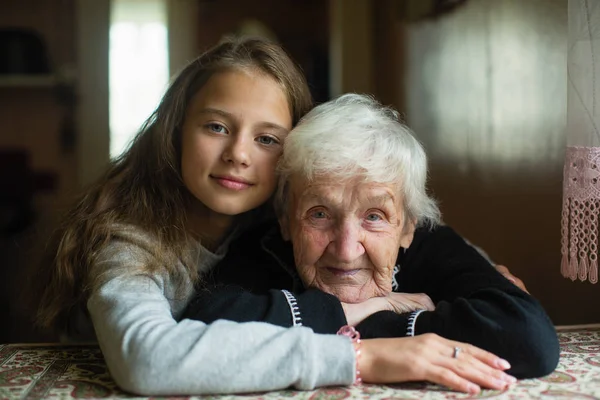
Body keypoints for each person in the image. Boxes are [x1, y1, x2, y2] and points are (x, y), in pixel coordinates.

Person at [28, 37, 525, 396]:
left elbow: (401, 226)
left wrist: (484, 268)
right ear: (176, 131)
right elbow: (147, 362)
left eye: (267, 139)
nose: (239, 154)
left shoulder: (276, 214)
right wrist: (359, 351)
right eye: (217, 126)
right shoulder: (129, 243)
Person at [183, 94, 560, 384]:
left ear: (408, 226)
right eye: (319, 214)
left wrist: (385, 331)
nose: (346, 249)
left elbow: (528, 339)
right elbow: (205, 321)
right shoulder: (268, 244)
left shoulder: (429, 243)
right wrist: (365, 317)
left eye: (374, 217)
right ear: (286, 220)